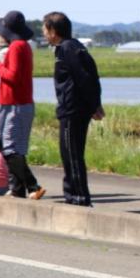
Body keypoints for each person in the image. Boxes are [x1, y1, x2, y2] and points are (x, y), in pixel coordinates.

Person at [43, 12, 104, 206]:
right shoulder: (72, 47)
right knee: (69, 153)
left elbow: (85, 78)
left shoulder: (69, 48)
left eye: (45, 29)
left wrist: (94, 104)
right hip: (74, 108)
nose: (44, 33)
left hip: (73, 110)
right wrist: (95, 103)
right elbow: (92, 77)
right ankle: (72, 195)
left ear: (53, 31)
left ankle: (78, 197)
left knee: (72, 154)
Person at [0, 10, 45, 199]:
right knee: (12, 148)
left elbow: (13, 77)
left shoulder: (17, 47)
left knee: (10, 149)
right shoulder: (20, 46)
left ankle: (33, 186)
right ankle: (18, 190)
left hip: (17, 104)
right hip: (13, 102)